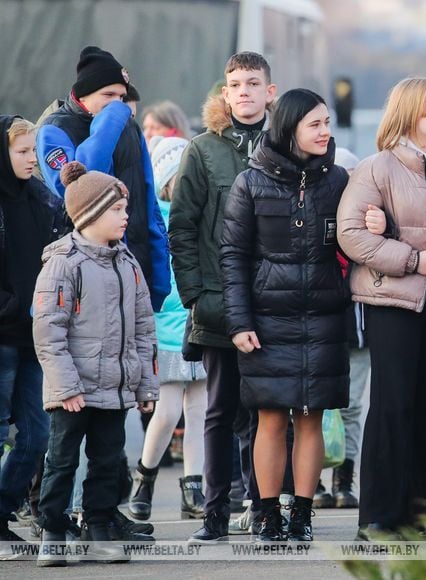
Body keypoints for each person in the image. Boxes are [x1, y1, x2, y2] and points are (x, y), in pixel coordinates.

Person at [337, 77, 426, 539]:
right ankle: (379, 515)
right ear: (410, 112)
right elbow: (351, 234)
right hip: (395, 300)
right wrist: (415, 260)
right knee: (393, 404)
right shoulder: (377, 168)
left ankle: (422, 510)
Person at [221, 88, 349, 543]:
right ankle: (268, 513)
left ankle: (303, 514)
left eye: (327, 123)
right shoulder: (250, 183)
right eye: (315, 124)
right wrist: (239, 322)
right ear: (290, 128)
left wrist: (377, 224)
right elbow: (233, 256)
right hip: (267, 319)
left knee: (311, 417)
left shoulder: (338, 180)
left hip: (324, 317)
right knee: (271, 418)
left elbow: (354, 238)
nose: (325, 132)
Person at [170, 52, 276, 544]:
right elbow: (182, 227)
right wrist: (194, 294)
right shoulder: (203, 150)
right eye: (236, 84)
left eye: (253, 83)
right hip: (216, 302)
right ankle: (215, 514)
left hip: (273, 300)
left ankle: (263, 507)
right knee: (220, 410)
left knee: (268, 412)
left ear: (269, 92)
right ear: (225, 93)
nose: (244, 92)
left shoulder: (286, 145)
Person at [33, 161, 158, 566]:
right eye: (117, 209)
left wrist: (145, 385)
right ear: (89, 214)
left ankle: (100, 527)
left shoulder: (128, 263)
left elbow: (143, 329)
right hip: (73, 390)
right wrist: (66, 387)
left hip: (115, 388)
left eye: (125, 209)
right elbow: (48, 331)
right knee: (62, 460)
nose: (126, 216)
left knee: (107, 461)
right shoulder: (63, 263)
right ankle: (53, 530)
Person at [37, 46, 170, 313]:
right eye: (108, 95)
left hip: (133, 268)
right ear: (82, 95)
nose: (116, 104)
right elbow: (77, 188)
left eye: (121, 97)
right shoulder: (54, 130)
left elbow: (148, 199)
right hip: (83, 276)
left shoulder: (129, 128)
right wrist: (108, 122)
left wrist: (159, 274)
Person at [127, 136, 207, 521]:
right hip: (166, 331)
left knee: (200, 411)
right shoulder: (154, 221)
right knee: (169, 409)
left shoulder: (201, 215)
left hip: (199, 324)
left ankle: (194, 487)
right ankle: (145, 476)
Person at [0, 116, 68, 543]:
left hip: (34, 336)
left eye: (32, 151)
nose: (31, 159)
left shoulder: (44, 198)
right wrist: (9, 305)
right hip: (3, 335)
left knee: (37, 435)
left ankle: (2, 509)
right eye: (22, 151)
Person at [313, 147, 364, 510]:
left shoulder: (369, 216)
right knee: (313, 404)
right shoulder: (315, 216)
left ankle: (344, 479)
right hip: (320, 323)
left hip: (358, 327)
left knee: (352, 406)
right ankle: (313, 477)